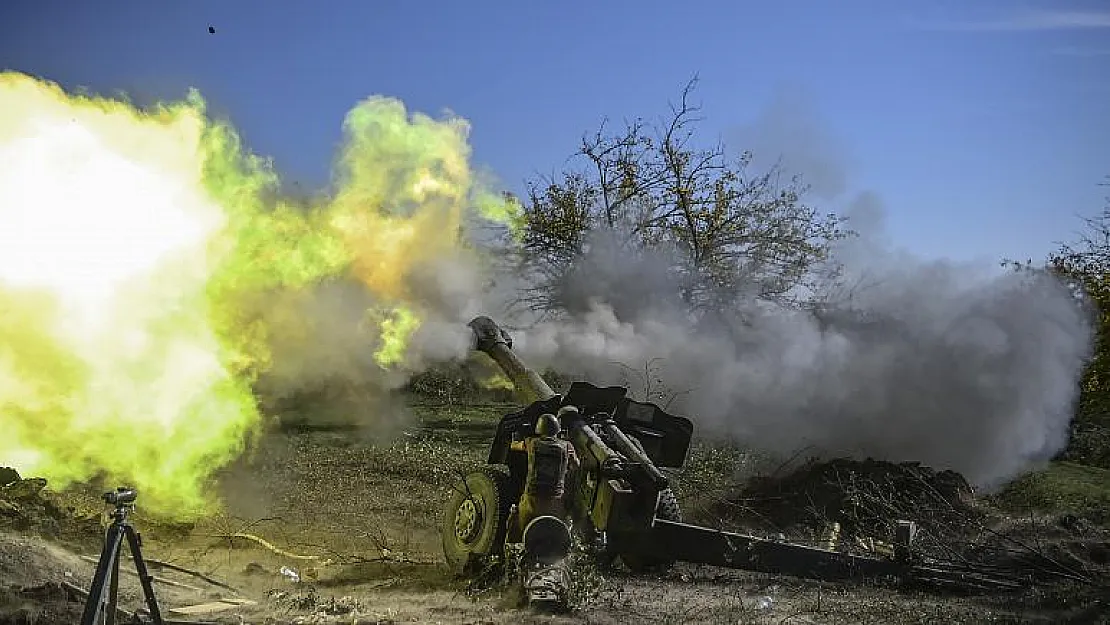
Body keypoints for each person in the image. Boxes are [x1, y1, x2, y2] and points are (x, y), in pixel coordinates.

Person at [508, 410, 580, 539]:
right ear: (557, 429)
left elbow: (514, 446)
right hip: (556, 501)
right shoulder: (567, 446)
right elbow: (576, 465)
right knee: (555, 534)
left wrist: (516, 437)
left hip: (532, 499)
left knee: (517, 525)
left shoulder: (531, 442)